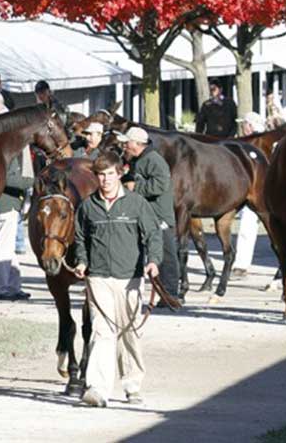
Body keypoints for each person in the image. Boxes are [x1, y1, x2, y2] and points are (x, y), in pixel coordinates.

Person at [73, 151, 162, 407]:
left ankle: (132, 385)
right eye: (100, 175)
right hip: (98, 277)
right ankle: (97, 389)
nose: (105, 180)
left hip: (129, 278)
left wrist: (154, 261)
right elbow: (80, 239)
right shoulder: (88, 206)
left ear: (119, 173)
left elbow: (153, 235)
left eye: (110, 174)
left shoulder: (136, 203)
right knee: (101, 332)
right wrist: (82, 261)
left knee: (129, 333)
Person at [118, 126, 180, 305]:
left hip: (159, 217)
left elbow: (161, 185)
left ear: (137, 144)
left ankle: (171, 295)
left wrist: (135, 187)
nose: (124, 146)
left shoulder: (154, 160)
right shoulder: (140, 159)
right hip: (148, 215)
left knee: (166, 256)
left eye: (126, 143)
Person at [0, 91, 34, 300]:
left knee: (7, 243)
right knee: (4, 244)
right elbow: (15, 172)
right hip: (7, 199)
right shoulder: (6, 131)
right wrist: (31, 184)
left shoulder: (0, 129)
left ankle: (12, 286)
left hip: (1, 198)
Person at [231, 112, 266, 278]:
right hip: (250, 191)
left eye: (243, 124)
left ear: (250, 125)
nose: (242, 127)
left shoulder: (258, 143)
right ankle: (241, 264)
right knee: (247, 225)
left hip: (260, 191)